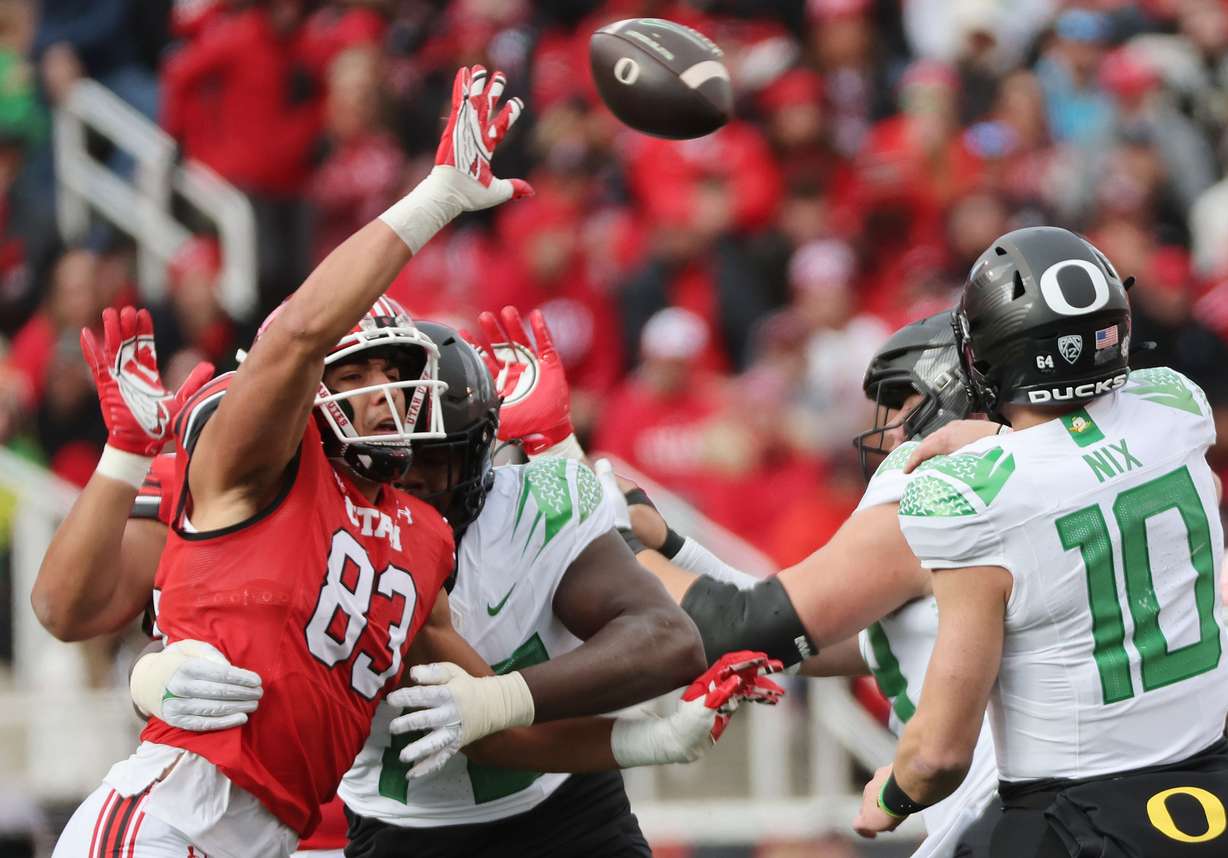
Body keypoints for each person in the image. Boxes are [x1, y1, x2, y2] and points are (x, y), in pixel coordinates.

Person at [45, 65, 712, 857]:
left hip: (265, 837)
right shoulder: (258, 462)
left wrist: (648, 743)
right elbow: (67, 609)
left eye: (392, 374)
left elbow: (482, 720)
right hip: (174, 811)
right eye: (351, 376)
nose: (378, 394)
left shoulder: (418, 536)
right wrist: (437, 199)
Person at [33, 307, 774, 858]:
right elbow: (75, 607)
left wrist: (625, 731)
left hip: (551, 811)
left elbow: (515, 724)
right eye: (383, 448)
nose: (407, 474)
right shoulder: (272, 487)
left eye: (434, 458)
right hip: (335, 823)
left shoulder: (484, 519)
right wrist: (146, 672)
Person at [470, 305, 1003, 857]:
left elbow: (738, 629)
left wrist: (608, 533)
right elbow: (794, 635)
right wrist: (672, 545)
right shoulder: (1011, 498)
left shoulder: (935, 510)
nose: (889, 431)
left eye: (901, 404)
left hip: (1010, 816)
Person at [853, 226, 1228, 856]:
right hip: (1208, 788)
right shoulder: (1177, 405)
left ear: (987, 351)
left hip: (1068, 819)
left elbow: (940, 754)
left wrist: (890, 797)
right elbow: (1087, 452)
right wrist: (1000, 440)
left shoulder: (967, 494)